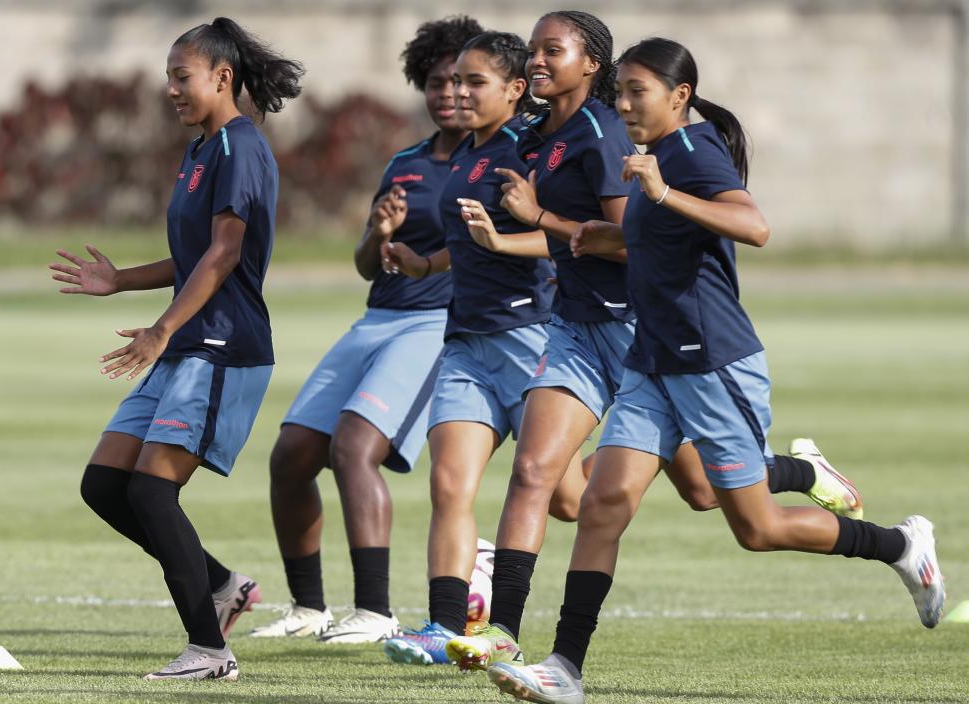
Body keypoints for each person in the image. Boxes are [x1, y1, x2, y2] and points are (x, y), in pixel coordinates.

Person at [486, 37, 945, 704]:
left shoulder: (694, 153)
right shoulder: (649, 159)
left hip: (713, 364)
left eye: (636, 92)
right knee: (603, 504)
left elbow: (753, 226)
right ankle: (565, 668)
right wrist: (586, 233)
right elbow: (645, 240)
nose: (624, 104)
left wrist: (664, 192)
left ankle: (900, 545)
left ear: (679, 97)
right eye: (620, 93)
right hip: (651, 362)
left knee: (756, 529)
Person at [445, 11, 862, 672]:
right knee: (548, 481)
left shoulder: (618, 137)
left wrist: (545, 220)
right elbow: (595, 232)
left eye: (552, 51)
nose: (536, 62)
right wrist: (510, 228)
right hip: (583, 328)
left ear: (592, 63)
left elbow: (638, 242)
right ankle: (516, 638)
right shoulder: (546, 133)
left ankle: (811, 481)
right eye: (533, 51)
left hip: (640, 328)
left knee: (714, 499)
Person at [48, 17, 302, 681]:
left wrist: (160, 328)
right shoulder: (200, 152)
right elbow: (192, 255)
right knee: (106, 485)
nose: (171, 89)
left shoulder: (240, 147)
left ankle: (211, 651)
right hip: (188, 342)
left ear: (223, 77)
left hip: (223, 346)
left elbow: (225, 252)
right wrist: (120, 281)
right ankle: (222, 586)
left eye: (180, 76)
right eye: (168, 78)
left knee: (154, 493)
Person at [251, 15, 485, 645]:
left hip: (435, 325)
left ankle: (376, 612)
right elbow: (365, 264)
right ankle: (308, 608)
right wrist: (377, 234)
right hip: (377, 317)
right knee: (292, 454)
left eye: (463, 83)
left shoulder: (496, 157)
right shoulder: (405, 161)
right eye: (438, 83)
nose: (450, 95)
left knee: (354, 447)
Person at [378, 31, 565, 666]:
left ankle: (666, 457)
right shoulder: (464, 157)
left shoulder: (531, 151)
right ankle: (442, 626)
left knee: (568, 497)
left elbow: (573, 240)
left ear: (515, 90)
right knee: (450, 486)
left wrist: (516, 236)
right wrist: (422, 262)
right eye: (453, 81)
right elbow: (467, 248)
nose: (457, 92)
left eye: (473, 82)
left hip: (528, 336)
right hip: (464, 342)